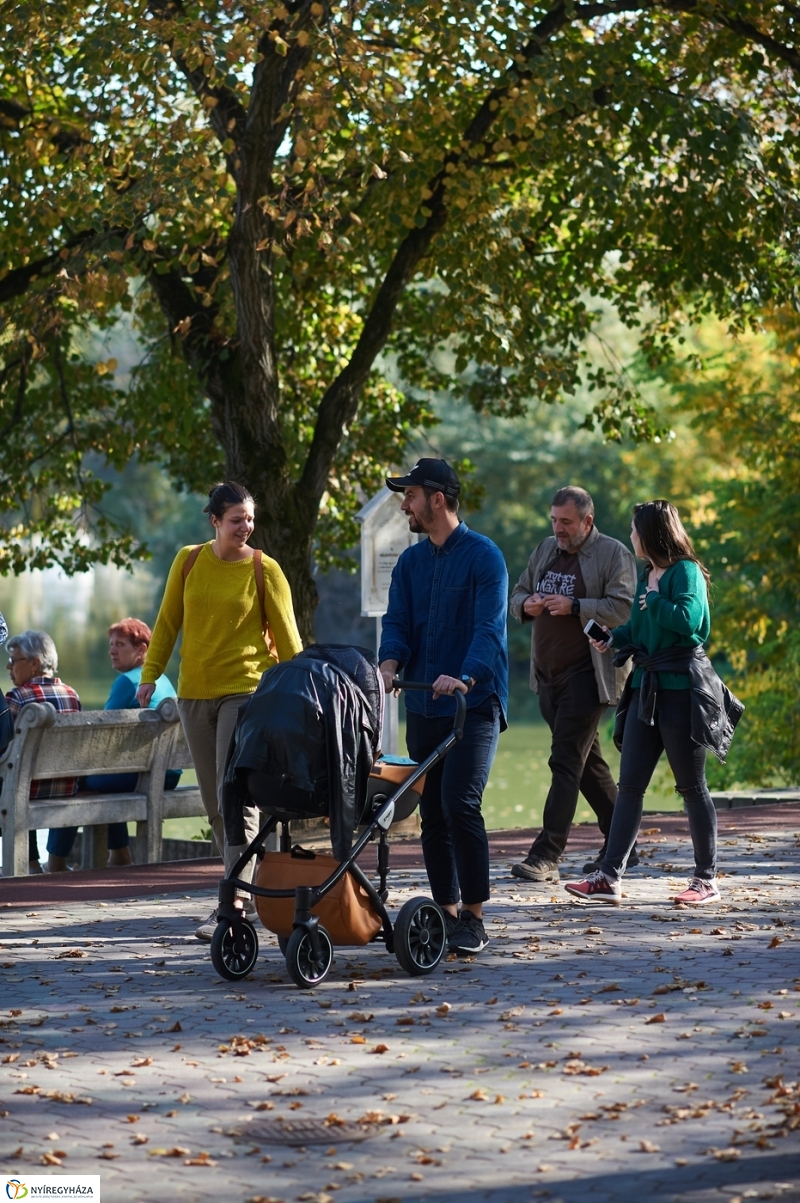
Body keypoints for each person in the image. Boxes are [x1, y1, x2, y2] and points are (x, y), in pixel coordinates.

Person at [137, 481, 303, 941]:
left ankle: (234, 902)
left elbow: (289, 641)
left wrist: (301, 688)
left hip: (245, 691)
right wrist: (151, 674)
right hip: (194, 693)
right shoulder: (188, 561)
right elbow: (168, 621)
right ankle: (249, 887)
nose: (245, 527)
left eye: (250, 519)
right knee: (215, 801)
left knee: (235, 794)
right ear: (214, 520)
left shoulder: (264, 569)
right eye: (236, 520)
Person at [564, 499, 742, 907]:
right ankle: (609, 877)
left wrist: (657, 599)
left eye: (633, 530)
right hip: (647, 689)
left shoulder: (686, 572)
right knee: (629, 787)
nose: (630, 537)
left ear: (651, 533)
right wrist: (614, 638)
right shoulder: (650, 574)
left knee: (692, 787)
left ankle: (706, 879)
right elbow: (640, 628)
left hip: (683, 691)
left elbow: (690, 621)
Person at [378, 458, 508, 957]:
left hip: (473, 703)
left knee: (460, 803)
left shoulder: (484, 557)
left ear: (436, 498)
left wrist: (466, 675)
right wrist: (389, 664)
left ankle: (474, 917)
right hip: (424, 707)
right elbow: (398, 622)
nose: (403, 504)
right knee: (431, 813)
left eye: (408, 495)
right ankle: (447, 913)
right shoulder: (410, 563)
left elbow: (489, 631)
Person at [509, 487, 637, 882]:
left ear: (587, 521)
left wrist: (576, 605)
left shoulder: (613, 554)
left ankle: (546, 854)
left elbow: (623, 608)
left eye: (565, 522)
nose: (558, 529)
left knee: (564, 760)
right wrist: (527, 605)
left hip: (588, 674)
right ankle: (623, 845)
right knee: (587, 766)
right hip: (547, 677)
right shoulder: (546, 549)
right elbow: (517, 594)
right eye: (553, 520)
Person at [45, 618, 180, 872]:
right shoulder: (162, 679)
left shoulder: (129, 682)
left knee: (72, 781)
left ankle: (56, 863)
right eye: (111, 644)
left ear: (141, 650)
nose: (112, 651)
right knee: (99, 780)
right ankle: (119, 855)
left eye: (120, 644)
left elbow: (98, 737)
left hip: (144, 774)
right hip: (168, 773)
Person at [3, 630, 81, 874]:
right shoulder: (72, 695)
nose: (8, 666)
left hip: (27, 788)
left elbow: (6, 752)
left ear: (34, 663)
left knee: (18, 778)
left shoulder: (17, 698)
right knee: (26, 775)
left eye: (14, 660)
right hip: (67, 787)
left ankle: (31, 864)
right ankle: (43, 863)